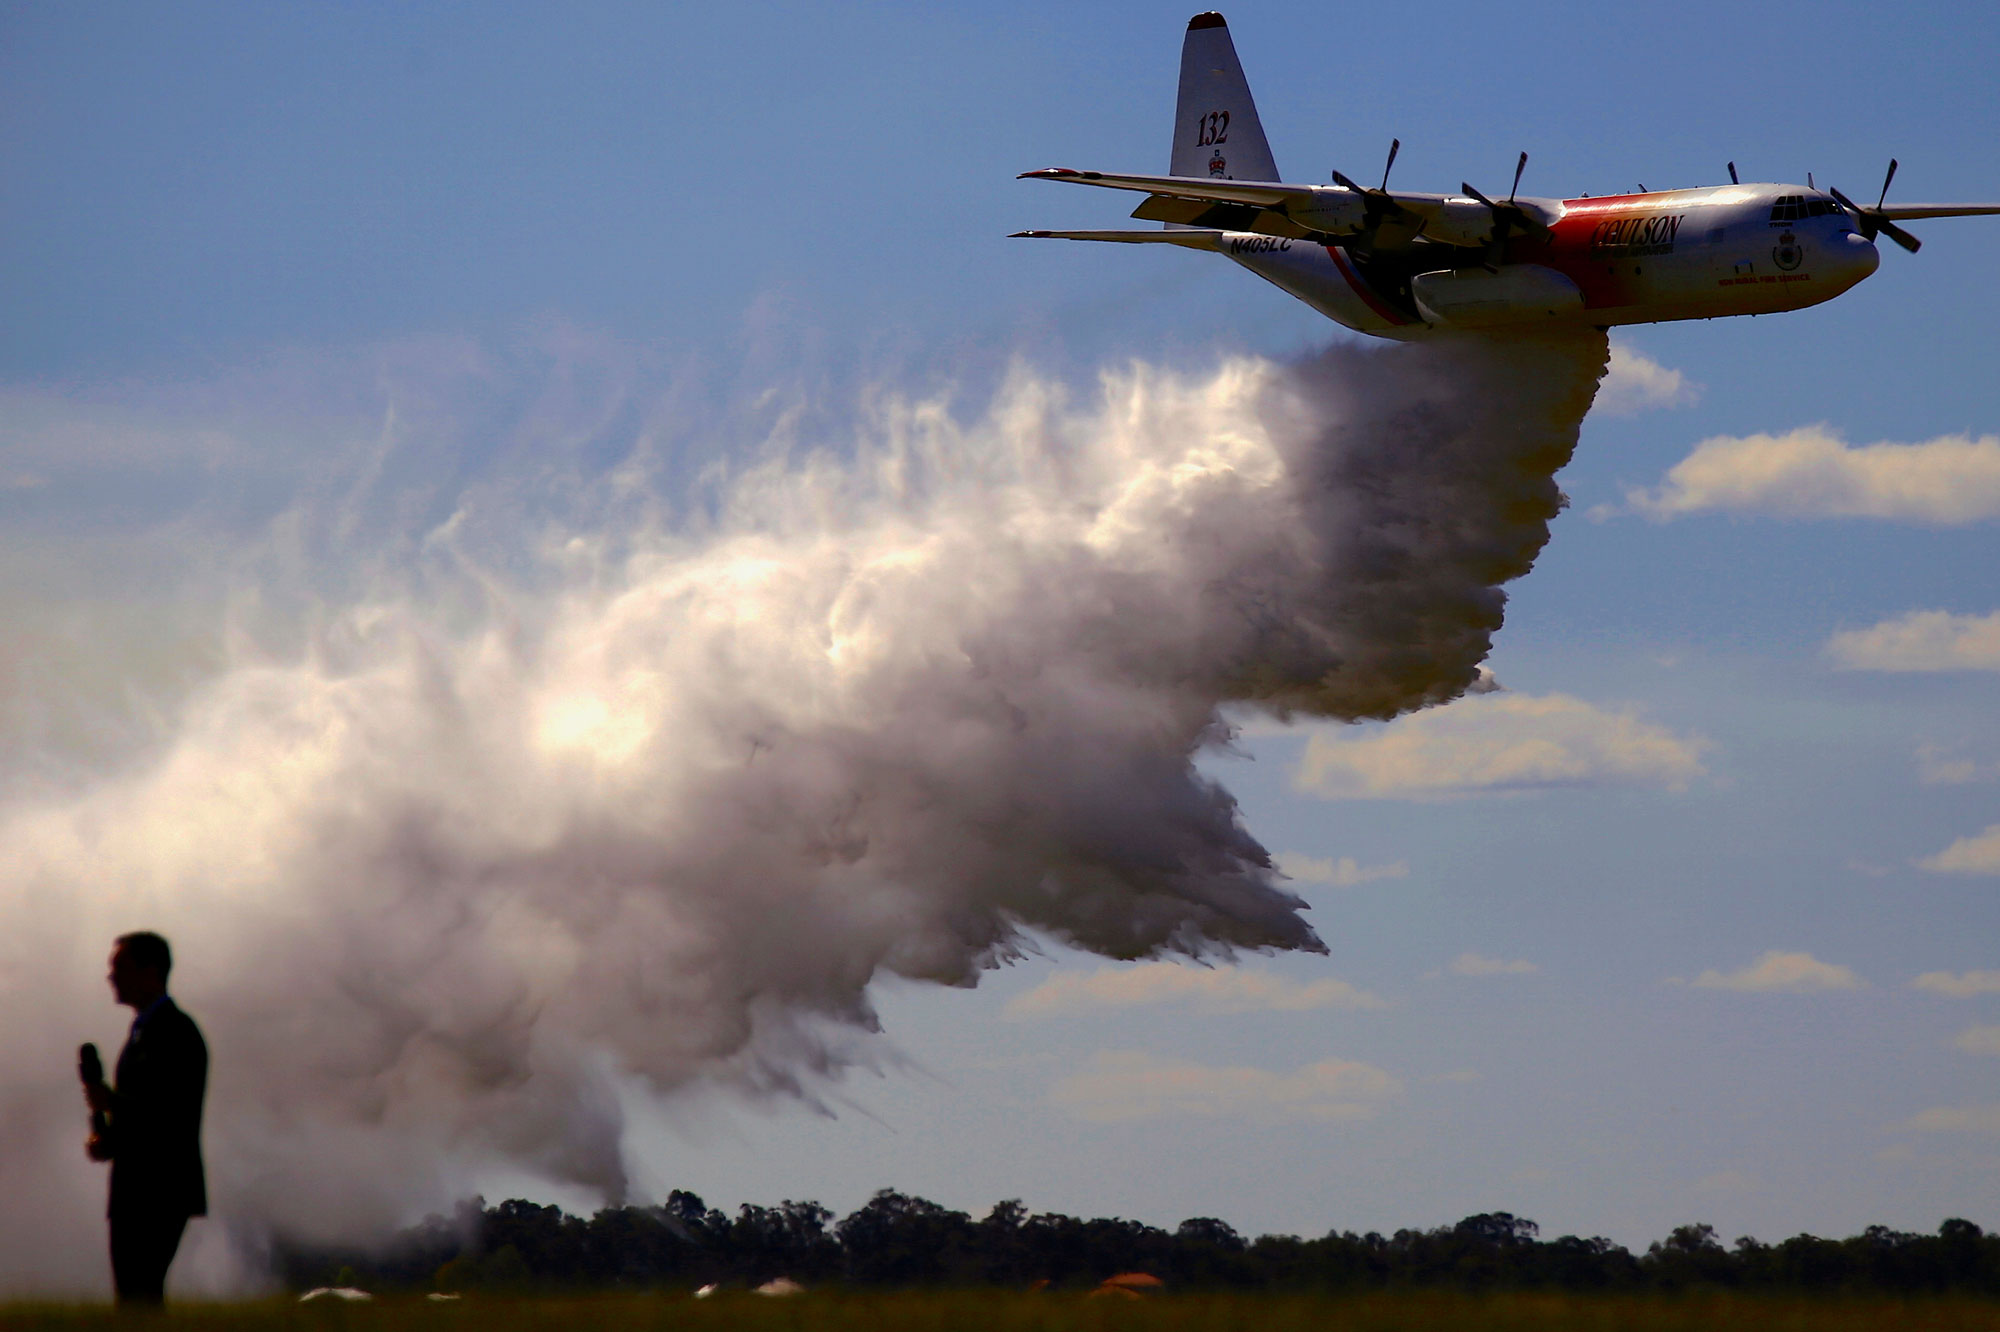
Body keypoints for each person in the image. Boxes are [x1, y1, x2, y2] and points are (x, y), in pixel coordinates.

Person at [82, 931, 208, 1305]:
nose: (111, 977)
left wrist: (113, 1103)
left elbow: (168, 1112)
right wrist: (108, 1140)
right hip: (138, 1188)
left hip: (159, 1187)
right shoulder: (145, 1033)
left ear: (150, 970)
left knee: (140, 1293)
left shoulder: (176, 1033)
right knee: (134, 1294)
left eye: (119, 967)